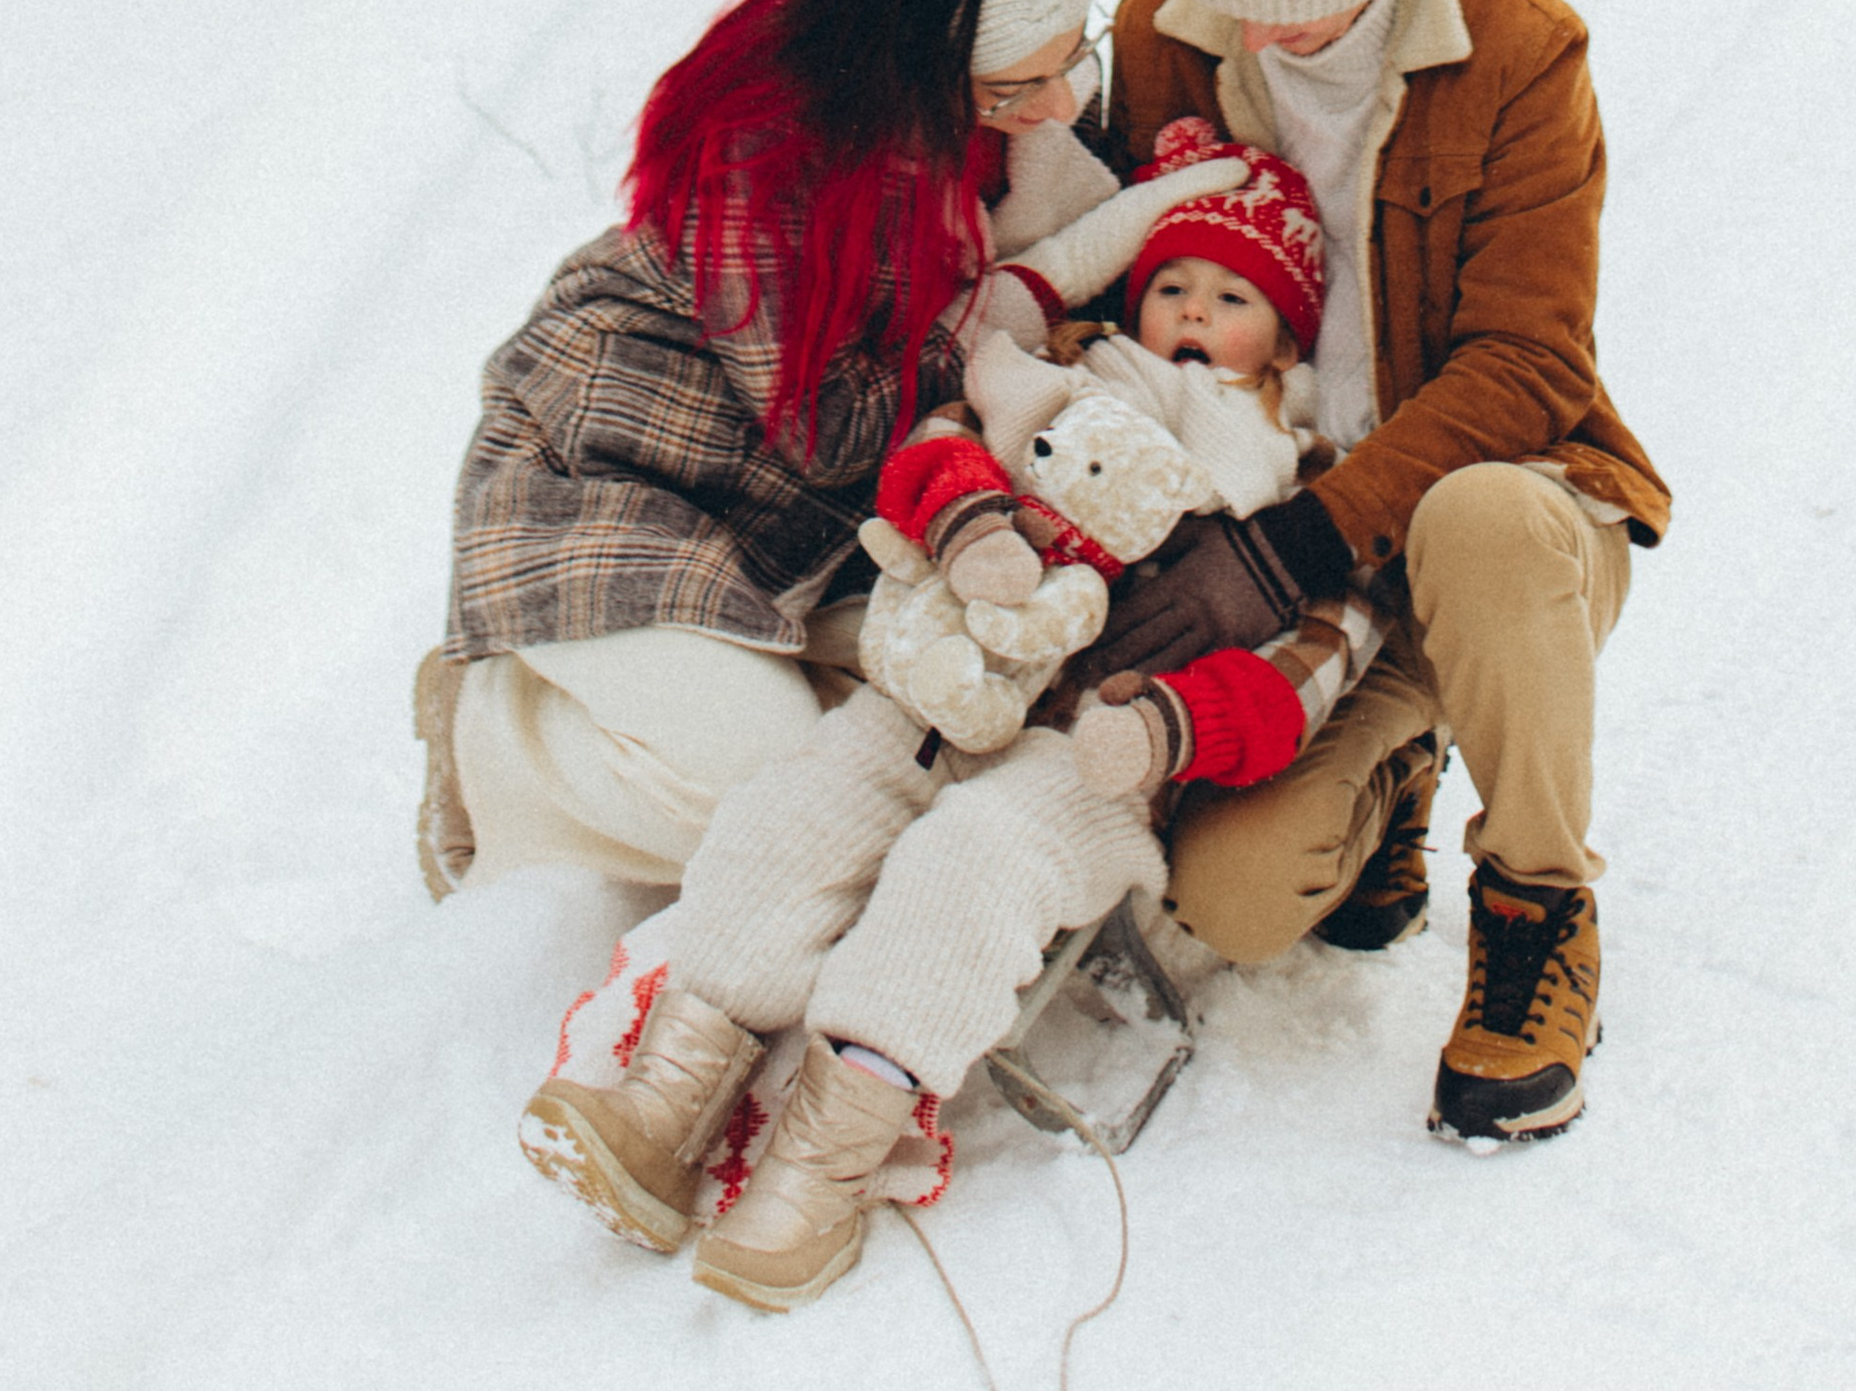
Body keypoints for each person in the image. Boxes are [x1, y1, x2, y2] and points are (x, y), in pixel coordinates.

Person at [519, 141, 1379, 1316]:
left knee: (968, 866)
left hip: (1098, 751)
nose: (1191, 313)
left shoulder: (1295, 483)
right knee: (801, 813)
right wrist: (975, 524)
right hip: (943, 677)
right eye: (1172, 284)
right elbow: (934, 444)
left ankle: (823, 1163)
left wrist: (1179, 724)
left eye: (1231, 300)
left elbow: (1312, 664)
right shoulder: (1064, 377)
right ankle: (670, 1091)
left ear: (1282, 338)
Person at [418, 0, 1189, 901]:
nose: (1058, 106)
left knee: (899, 758)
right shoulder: (773, 155)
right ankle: (491, 742)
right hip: (612, 470)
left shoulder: (991, 111)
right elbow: (830, 433)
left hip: (782, 524)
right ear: (925, 67)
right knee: (765, 802)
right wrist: (1010, 314)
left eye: (1072, 58)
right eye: (1018, 87)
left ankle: (664, 702)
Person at [1103, 0, 1671, 1149]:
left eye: (1308, 6)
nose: (1272, 37)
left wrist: (1317, 528)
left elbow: (1531, 364)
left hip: (1505, 521)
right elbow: (1125, 289)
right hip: (1294, 547)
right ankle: (1392, 768)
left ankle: (1542, 914)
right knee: (1233, 904)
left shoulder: (1519, 46)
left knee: (1474, 518)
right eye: (1243, 2)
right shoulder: (1169, 32)